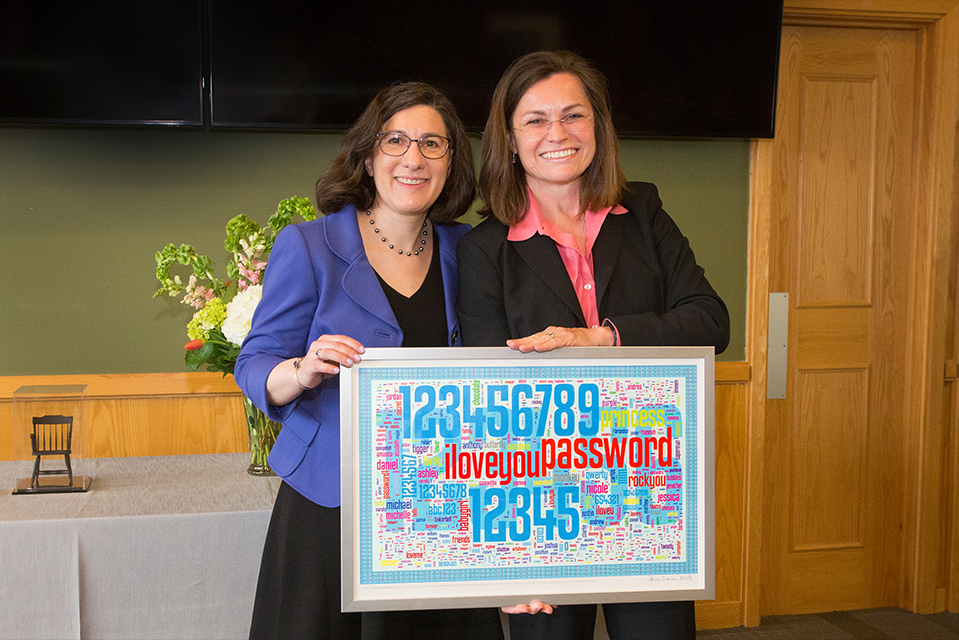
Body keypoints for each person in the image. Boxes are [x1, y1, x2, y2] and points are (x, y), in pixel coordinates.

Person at [456, 51, 730, 640]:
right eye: (534, 120)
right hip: (539, 511)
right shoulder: (483, 251)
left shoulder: (645, 212)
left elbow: (710, 321)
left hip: (646, 498)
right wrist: (503, 556)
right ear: (508, 138)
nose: (557, 134)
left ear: (598, 129)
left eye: (573, 115)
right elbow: (484, 408)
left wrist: (601, 338)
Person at [235, 82, 504, 640]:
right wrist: (302, 370)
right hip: (330, 509)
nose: (414, 157)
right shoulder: (308, 246)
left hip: (442, 510)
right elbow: (255, 360)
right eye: (396, 140)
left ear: (452, 163)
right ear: (367, 154)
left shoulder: (469, 249)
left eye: (434, 144)